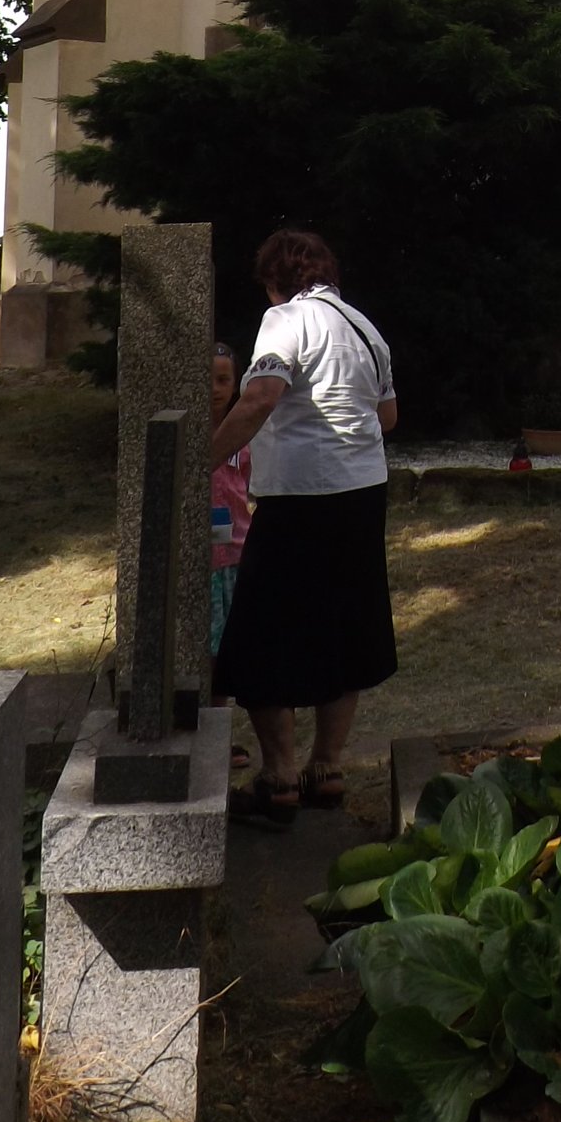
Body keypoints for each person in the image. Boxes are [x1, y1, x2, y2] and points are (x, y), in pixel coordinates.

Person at [209, 229, 399, 827]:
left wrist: (200, 461)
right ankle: (328, 766)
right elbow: (388, 416)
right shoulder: (366, 328)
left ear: (275, 281)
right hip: (362, 493)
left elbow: (261, 396)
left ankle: (279, 776)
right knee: (345, 625)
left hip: (299, 497)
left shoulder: (286, 320)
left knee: (262, 630)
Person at [208, 342, 254, 767]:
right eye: (209, 379)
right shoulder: (193, 434)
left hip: (237, 553)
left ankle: (220, 730)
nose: (216, 389)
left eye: (224, 380)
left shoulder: (242, 436)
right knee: (206, 651)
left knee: (228, 650)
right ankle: (208, 731)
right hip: (203, 564)